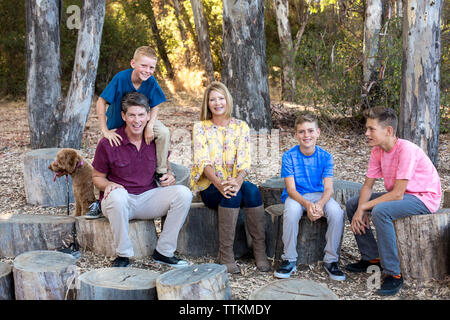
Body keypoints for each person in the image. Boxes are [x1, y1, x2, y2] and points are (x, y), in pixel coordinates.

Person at [345, 106, 441, 296]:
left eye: (371, 129)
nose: (366, 133)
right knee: (352, 203)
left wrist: (366, 207)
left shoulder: (406, 150)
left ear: (388, 130)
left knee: (381, 211)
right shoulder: (377, 151)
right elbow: (367, 187)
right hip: (404, 195)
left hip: (423, 197)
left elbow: (397, 194)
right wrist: (360, 208)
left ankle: (393, 273)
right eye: (367, 128)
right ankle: (372, 258)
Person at [92, 92, 192, 268]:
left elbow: (165, 166)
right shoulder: (109, 142)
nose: (136, 120)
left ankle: (164, 252)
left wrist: (170, 175)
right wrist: (109, 184)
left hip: (148, 198)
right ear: (123, 116)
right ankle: (123, 255)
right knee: (117, 196)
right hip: (120, 202)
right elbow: (97, 177)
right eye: (131, 115)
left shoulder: (156, 140)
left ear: (148, 116)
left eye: (141, 115)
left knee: (184, 194)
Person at [190, 81, 270, 274]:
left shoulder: (240, 127)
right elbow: (203, 162)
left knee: (251, 190)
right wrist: (220, 184)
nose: (217, 103)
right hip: (209, 186)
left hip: (235, 182)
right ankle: (225, 255)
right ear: (207, 104)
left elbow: (244, 162)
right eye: (212, 99)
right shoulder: (200, 127)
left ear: (227, 100)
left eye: (221, 98)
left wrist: (237, 181)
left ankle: (259, 251)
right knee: (231, 195)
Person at [273, 112, 346, 280]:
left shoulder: (326, 157)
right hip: (297, 196)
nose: (307, 135)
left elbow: (329, 189)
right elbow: (291, 190)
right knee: (291, 211)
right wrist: (307, 205)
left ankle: (331, 260)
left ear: (318, 133)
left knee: (336, 212)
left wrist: (319, 205)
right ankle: (289, 259)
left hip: (319, 194)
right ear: (296, 134)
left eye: (310, 131)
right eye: (302, 131)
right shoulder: (289, 156)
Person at [96, 46, 170, 182]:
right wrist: (104, 130)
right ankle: (106, 182)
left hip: (141, 120)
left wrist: (150, 125)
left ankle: (161, 172)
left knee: (164, 133)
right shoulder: (121, 78)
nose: (147, 71)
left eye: (151, 68)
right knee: (110, 146)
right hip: (118, 121)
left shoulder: (151, 82)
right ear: (133, 63)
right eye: (143, 66)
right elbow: (101, 101)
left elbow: (155, 105)